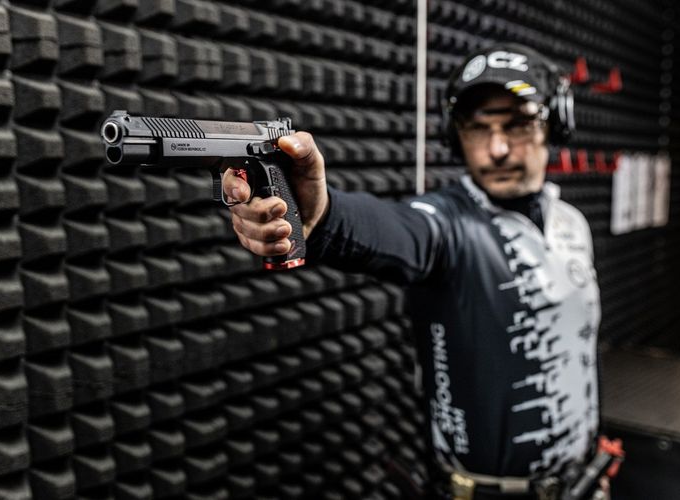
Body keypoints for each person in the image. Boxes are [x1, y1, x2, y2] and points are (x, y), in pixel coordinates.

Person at [223, 43, 617, 500]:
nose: (497, 149)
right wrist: (322, 216)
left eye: (518, 124)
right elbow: (397, 230)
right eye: (478, 128)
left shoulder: (571, 223)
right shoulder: (445, 223)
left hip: (586, 481)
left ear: (556, 123)